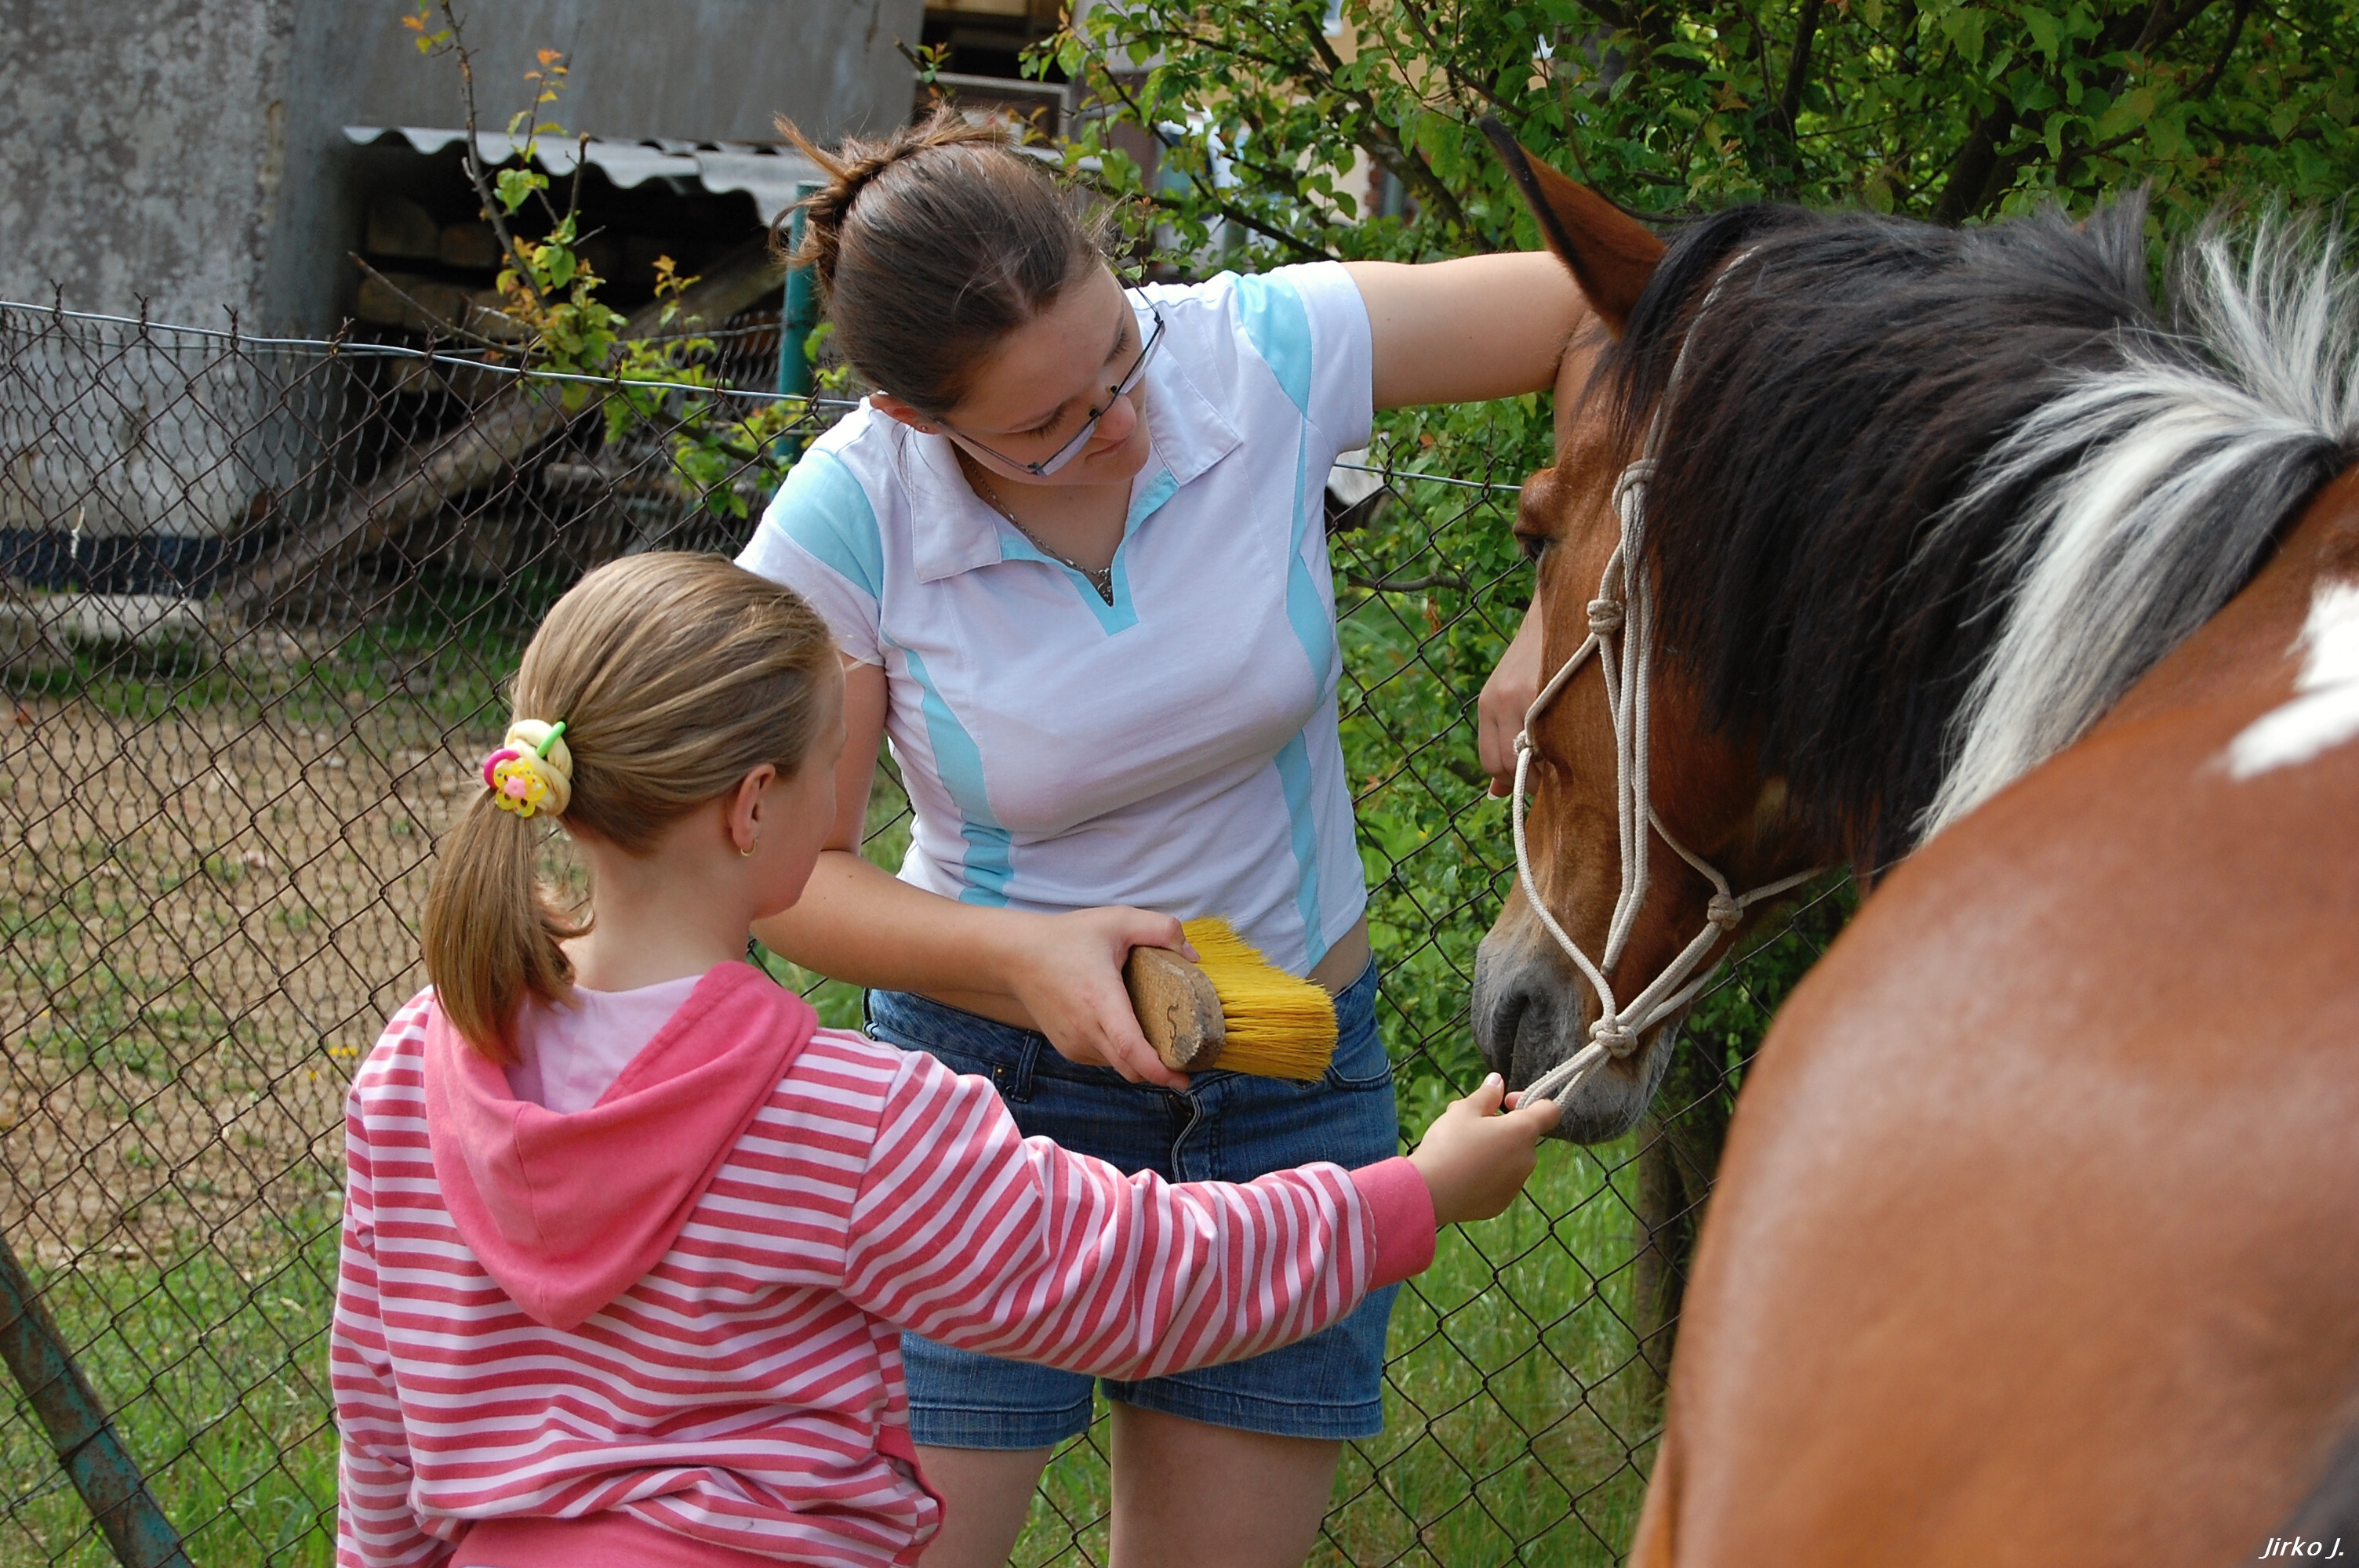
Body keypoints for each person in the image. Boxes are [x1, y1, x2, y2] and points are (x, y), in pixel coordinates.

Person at [329, 553, 1559, 1568]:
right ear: (753, 808)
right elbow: (1141, 1278)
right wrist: (1419, 1193)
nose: (847, 805)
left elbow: (378, 1424)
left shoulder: (412, 1068)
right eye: (834, 771)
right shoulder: (845, 1124)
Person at [736, 112, 1590, 1568]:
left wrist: (1559, 619)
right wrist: (1024, 959)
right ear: (912, 419)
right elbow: (778, 874)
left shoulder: (1257, 351)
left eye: (1117, 357)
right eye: (1046, 423)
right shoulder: (850, 523)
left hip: (1289, 1091)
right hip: (979, 1114)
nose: (1119, 423)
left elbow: (1614, 310)